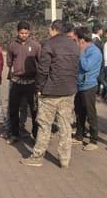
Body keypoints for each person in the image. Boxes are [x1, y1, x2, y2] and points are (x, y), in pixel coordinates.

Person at [21, 20, 80, 169]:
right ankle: (64, 159)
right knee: (65, 126)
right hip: (69, 91)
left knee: (44, 125)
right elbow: (76, 68)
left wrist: (39, 87)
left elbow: (43, 70)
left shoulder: (48, 44)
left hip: (50, 92)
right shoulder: (74, 45)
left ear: (53, 29)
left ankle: (37, 156)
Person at [6, 21, 41, 144]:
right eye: (21, 33)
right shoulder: (12, 45)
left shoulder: (36, 46)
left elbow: (40, 63)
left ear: (29, 32)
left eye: (26, 33)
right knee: (13, 109)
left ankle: (36, 135)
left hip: (31, 83)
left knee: (34, 110)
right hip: (16, 82)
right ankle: (14, 134)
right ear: (18, 32)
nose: (24, 35)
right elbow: (9, 62)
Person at [74, 27, 102, 150]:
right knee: (79, 112)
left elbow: (86, 66)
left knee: (90, 113)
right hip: (79, 85)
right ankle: (79, 136)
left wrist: (80, 52)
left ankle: (93, 140)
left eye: (76, 40)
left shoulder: (94, 52)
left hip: (89, 86)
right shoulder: (83, 49)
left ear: (82, 40)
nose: (75, 43)